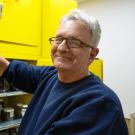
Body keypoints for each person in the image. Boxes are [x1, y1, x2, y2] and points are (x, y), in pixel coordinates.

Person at [0, 9, 128, 135]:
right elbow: (12, 69)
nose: (61, 48)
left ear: (92, 54)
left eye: (74, 42)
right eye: (59, 39)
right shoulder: (49, 76)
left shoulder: (99, 103)